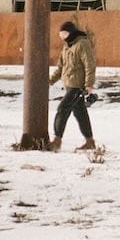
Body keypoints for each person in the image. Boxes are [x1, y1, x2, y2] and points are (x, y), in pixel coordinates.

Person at [49, 20, 97, 151]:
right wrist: (49, 81)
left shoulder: (82, 44)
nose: (63, 37)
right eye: (61, 35)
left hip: (78, 86)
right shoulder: (66, 47)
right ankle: (90, 141)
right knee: (80, 113)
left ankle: (57, 141)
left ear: (71, 33)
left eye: (65, 34)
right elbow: (60, 67)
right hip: (69, 85)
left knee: (62, 109)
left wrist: (89, 85)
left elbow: (90, 65)